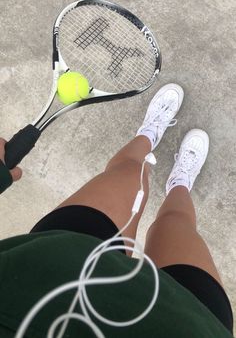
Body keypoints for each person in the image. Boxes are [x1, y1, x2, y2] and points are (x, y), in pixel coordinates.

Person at [0, 83, 234, 337]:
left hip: (46, 276)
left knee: (129, 173)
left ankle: (147, 136)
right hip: (190, 324)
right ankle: (180, 182)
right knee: (177, 224)